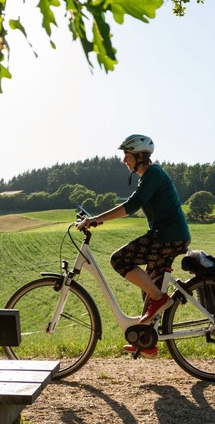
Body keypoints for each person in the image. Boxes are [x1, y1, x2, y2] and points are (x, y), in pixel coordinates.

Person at [79, 134, 191, 358]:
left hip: (167, 237)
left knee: (119, 259)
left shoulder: (153, 174)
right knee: (149, 290)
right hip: (167, 236)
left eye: (126, 155)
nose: (124, 161)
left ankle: (160, 300)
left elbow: (132, 205)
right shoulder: (149, 176)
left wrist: (97, 219)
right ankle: (147, 341)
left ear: (139, 156)